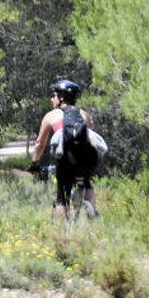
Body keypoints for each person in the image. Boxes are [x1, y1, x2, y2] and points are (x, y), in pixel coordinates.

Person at [28, 79, 100, 220]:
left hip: (65, 160)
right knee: (86, 183)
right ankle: (93, 215)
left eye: (54, 95)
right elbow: (89, 134)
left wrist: (34, 164)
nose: (52, 98)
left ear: (61, 98)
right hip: (86, 158)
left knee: (62, 194)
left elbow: (39, 144)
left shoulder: (51, 116)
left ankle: (61, 231)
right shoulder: (84, 114)